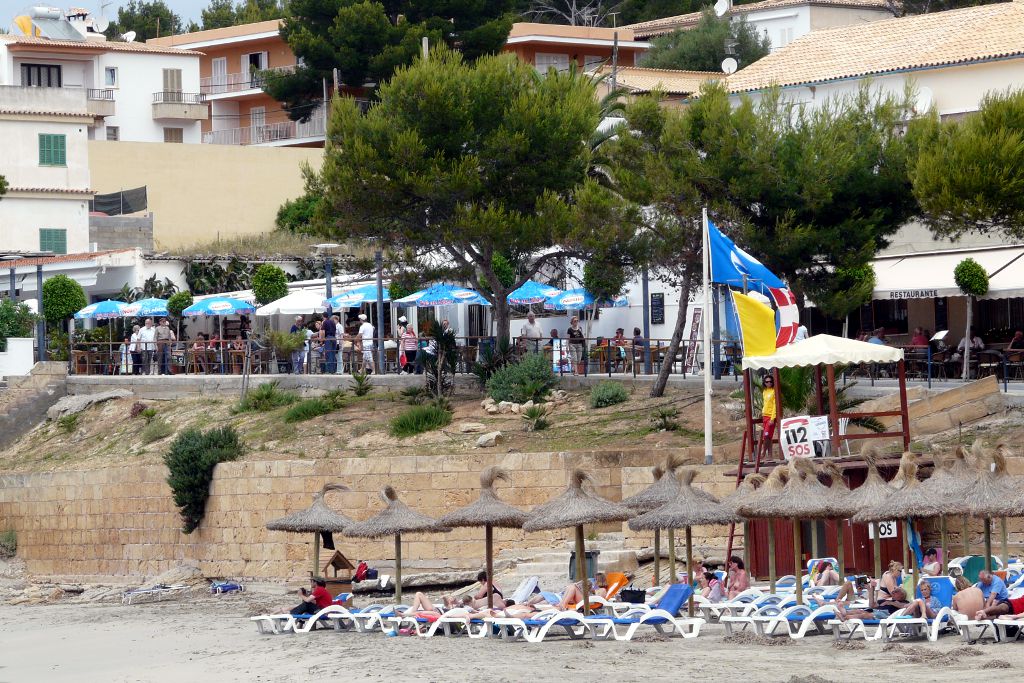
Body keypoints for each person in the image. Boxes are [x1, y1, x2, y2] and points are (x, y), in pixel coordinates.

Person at [835, 579, 909, 622]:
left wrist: (891, 603)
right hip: (876, 611)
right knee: (859, 611)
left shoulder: (903, 602)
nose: (893, 591)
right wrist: (870, 590)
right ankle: (844, 613)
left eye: (896, 591)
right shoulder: (884, 600)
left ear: (902, 595)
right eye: (894, 590)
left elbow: (904, 606)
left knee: (865, 615)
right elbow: (872, 605)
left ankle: (845, 618)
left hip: (886, 614)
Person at [757, 374, 778, 460]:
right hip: (764, 415)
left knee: (766, 435)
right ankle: (770, 455)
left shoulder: (774, 391)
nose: (768, 383)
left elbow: (775, 405)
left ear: (772, 382)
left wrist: (773, 418)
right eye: (766, 382)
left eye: (770, 381)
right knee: (768, 436)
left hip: (770, 416)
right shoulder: (765, 391)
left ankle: (763, 452)